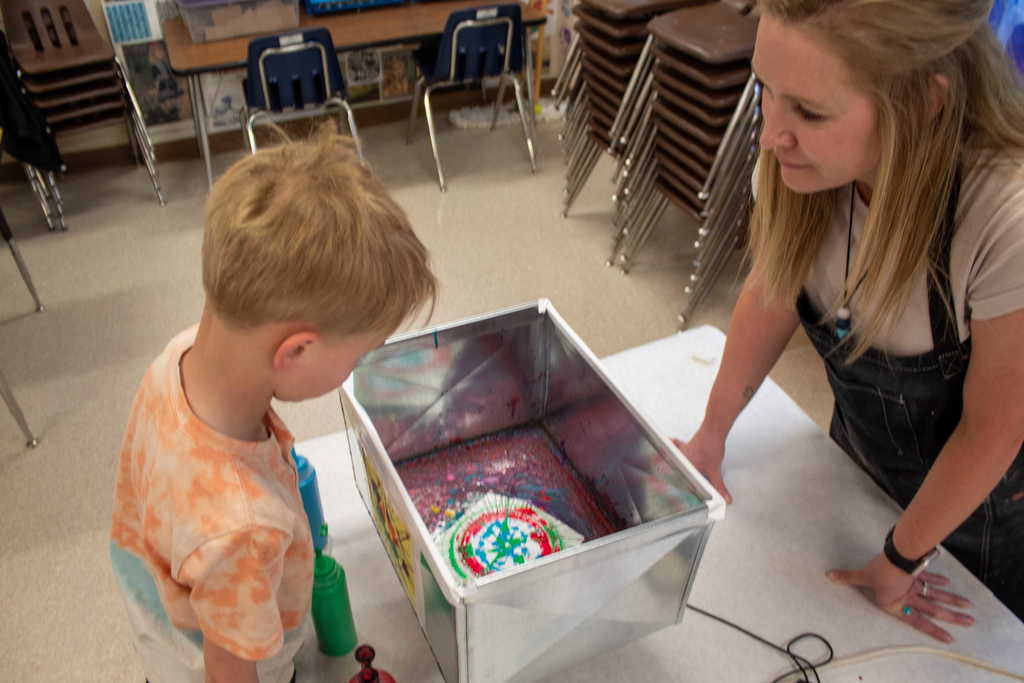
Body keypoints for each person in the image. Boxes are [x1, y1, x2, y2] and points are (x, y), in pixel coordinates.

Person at [677, 0, 1024, 643]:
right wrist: (710, 436)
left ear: (924, 102)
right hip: (860, 474)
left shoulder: (1003, 214)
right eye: (765, 93)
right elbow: (772, 290)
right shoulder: (798, 165)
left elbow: (994, 429)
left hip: (983, 520)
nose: (770, 135)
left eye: (808, 111)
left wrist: (900, 559)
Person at [109, 132, 438, 682]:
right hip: (216, 657)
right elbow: (231, 671)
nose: (360, 367)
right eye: (360, 353)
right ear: (297, 351)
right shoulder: (240, 526)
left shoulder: (182, 355)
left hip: (176, 614)